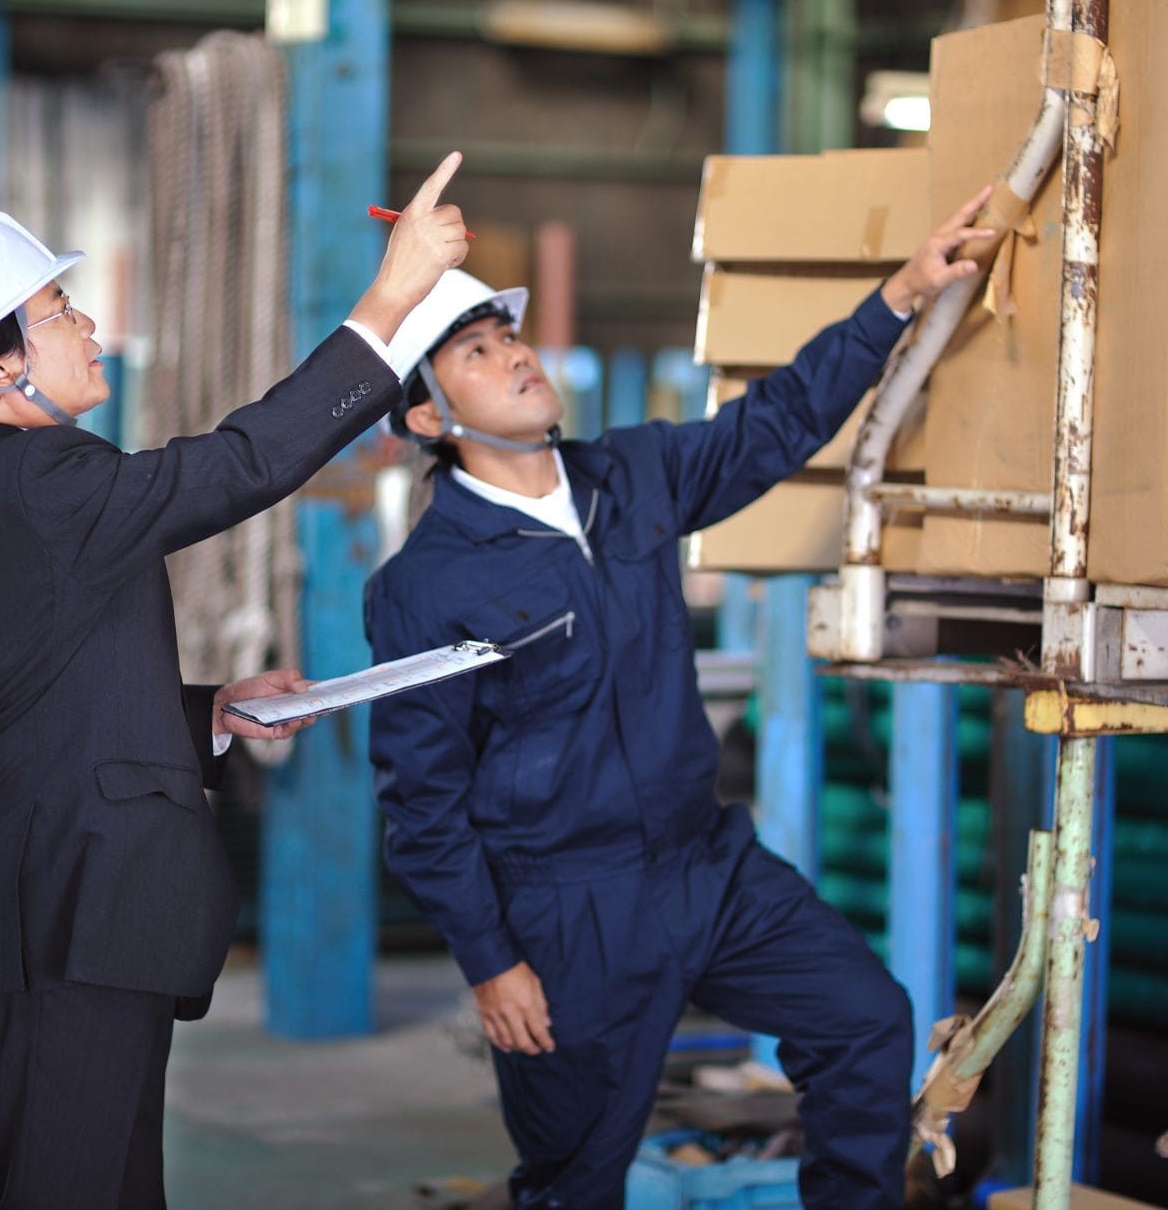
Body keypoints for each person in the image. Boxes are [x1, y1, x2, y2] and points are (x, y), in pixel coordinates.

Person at [364, 188, 997, 1210]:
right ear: (429, 416)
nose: (517, 357)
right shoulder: (423, 585)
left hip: (708, 867)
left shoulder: (634, 475)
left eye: (508, 335)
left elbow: (778, 421)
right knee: (578, 1174)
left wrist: (900, 295)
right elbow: (421, 800)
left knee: (866, 1019)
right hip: (570, 911)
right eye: (475, 353)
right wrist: (491, 962)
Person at [0, 152, 471, 1210]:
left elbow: (37, 696)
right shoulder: (45, 479)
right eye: (58, 312)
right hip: (60, 916)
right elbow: (244, 463)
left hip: (57, 914)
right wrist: (394, 295)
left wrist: (204, 714)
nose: (88, 327)